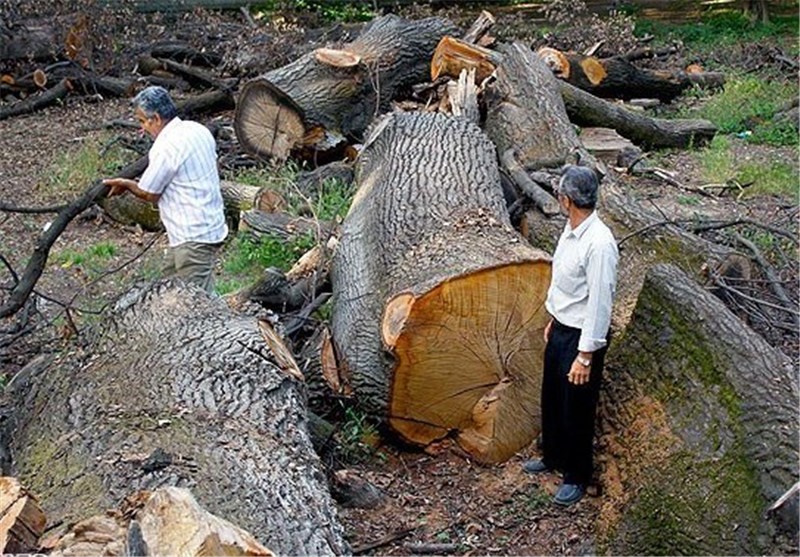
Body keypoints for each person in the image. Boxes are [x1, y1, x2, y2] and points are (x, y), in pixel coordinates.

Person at [523, 165, 619, 506]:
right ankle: (552, 456)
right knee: (553, 395)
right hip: (562, 326)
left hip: (583, 335)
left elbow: (599, 303)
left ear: (566, 199)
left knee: (577, 407)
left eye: (559, 195)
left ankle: (576, 476)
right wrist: (554, 317)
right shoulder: (570, 228)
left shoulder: (599, 244)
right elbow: (564, 280)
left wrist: (586, 354)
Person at [104, 86, 227, 293]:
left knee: (198, 301)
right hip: (208, 224)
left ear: (157, 118)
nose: (142, 129)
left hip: (192, 234)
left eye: (143, 121)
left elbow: (150, 192)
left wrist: (126, 185)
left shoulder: (166, 147)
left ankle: (226, 324)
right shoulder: (197, 130)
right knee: (168, 286)